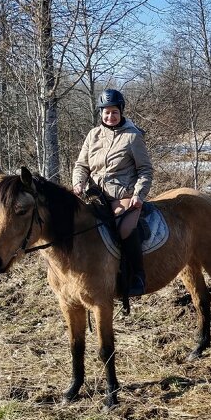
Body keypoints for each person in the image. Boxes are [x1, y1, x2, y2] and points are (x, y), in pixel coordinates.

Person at [72, 88, 153, 301]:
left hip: (124, 195)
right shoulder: (93, 135)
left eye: (114, 112)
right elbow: (82, 164)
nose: (110, 116)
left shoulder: (132, 136)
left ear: (121, 111)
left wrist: (139, 194)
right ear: (101, 113)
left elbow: (145, 170)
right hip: (95, 195)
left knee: (124, 228)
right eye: (106, 112)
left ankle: (137, 275)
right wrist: (78, 182)